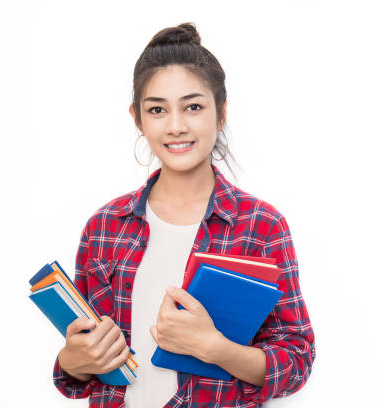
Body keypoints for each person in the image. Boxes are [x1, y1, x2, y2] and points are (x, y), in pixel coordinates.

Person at [53, 22, 315, 408]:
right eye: (157, 110)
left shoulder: (261, 225)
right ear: (138, 119)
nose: (176, 126)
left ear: (221, 112)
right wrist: (71, 361)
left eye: (193, 106)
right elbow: (85, 362)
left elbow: (297, 358)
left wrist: (216, 349)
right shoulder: (104, 226)